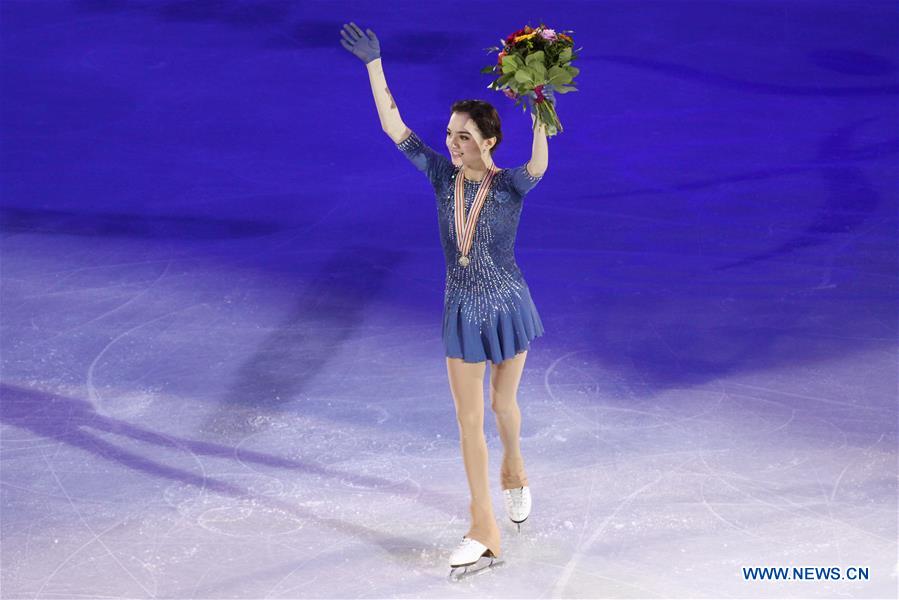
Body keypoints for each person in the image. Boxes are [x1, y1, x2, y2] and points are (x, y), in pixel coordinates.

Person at [339, 22, 554, 577]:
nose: (452, 143)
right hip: (460, 307)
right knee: (467, 421)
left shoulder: (509, 185)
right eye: (451, 134)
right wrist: (374, 66)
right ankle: (484, 527)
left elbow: (539, 165)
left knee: (503, 408)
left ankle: (516, 468)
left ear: (488, 142)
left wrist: (538, 106)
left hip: (506, 302)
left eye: (463, 136)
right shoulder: (441, 177)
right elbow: (395, 128)